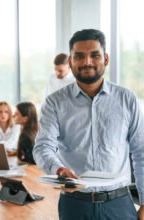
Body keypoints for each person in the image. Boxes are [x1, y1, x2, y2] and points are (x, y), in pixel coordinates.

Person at [33, 29, 144, 220]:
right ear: (70, 61)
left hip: (119, 205)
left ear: (106, 59)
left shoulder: (127, 99)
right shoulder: (54, 103)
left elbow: (141, 152)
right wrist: (59, 169)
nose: (87, 62)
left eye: (95, 55)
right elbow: (43, 147)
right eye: (79, 56)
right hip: (74, 204)